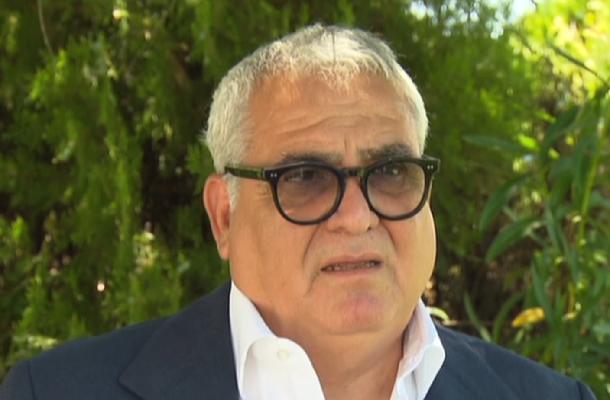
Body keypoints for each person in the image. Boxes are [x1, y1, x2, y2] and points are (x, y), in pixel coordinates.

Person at [0, 24, 596, 400]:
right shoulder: (55, 393)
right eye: (306, 179)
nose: (357, 217)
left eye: (391, 173)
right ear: (224, 217)